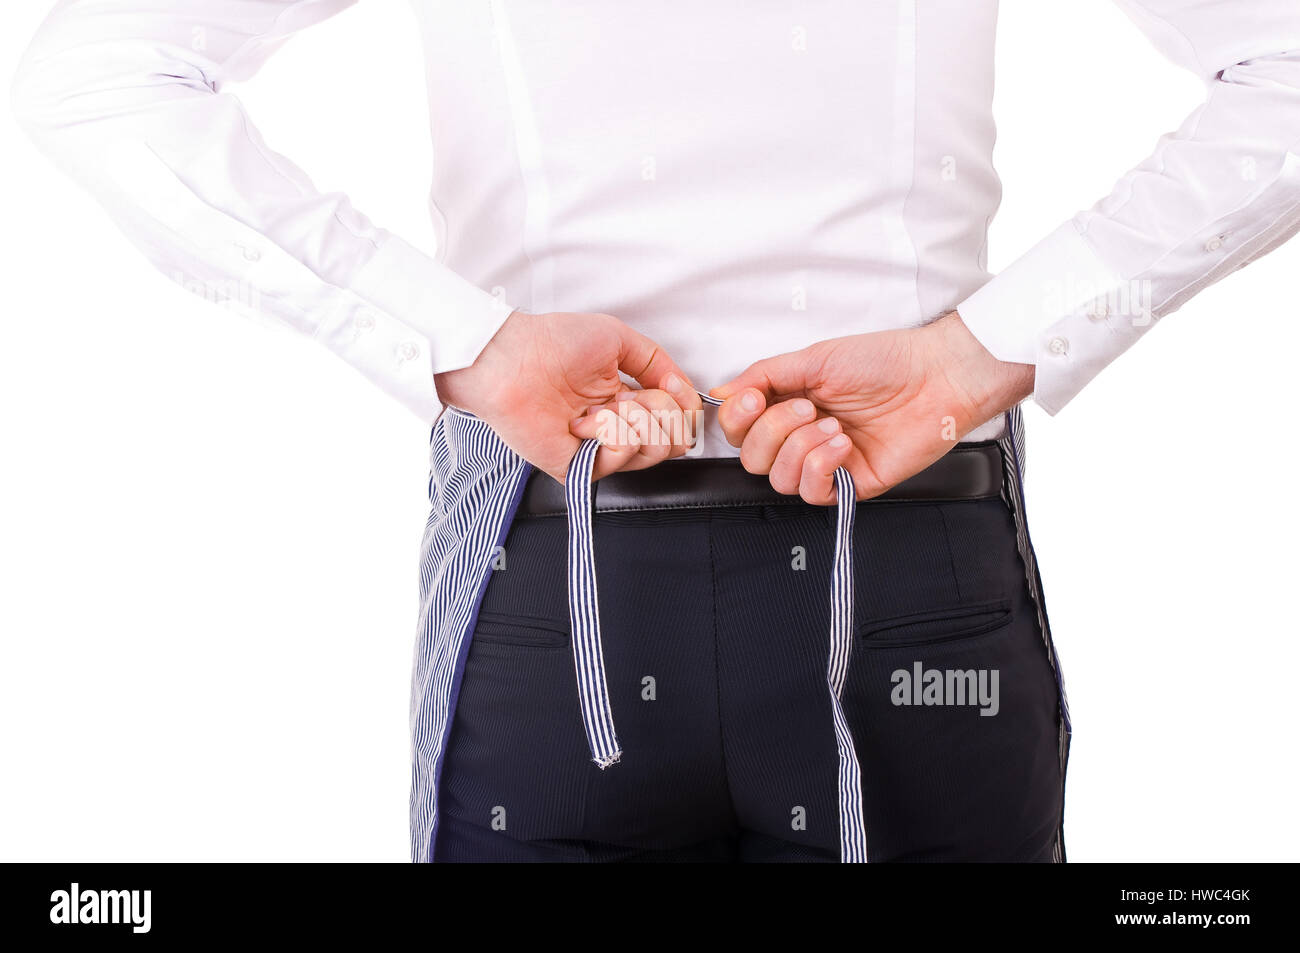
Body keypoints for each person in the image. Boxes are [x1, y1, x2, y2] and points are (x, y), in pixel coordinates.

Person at [13, 0, 1300, 863]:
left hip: (563, 584)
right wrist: (976, 354)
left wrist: (461, 341)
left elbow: (95, 69)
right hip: (908, 571)